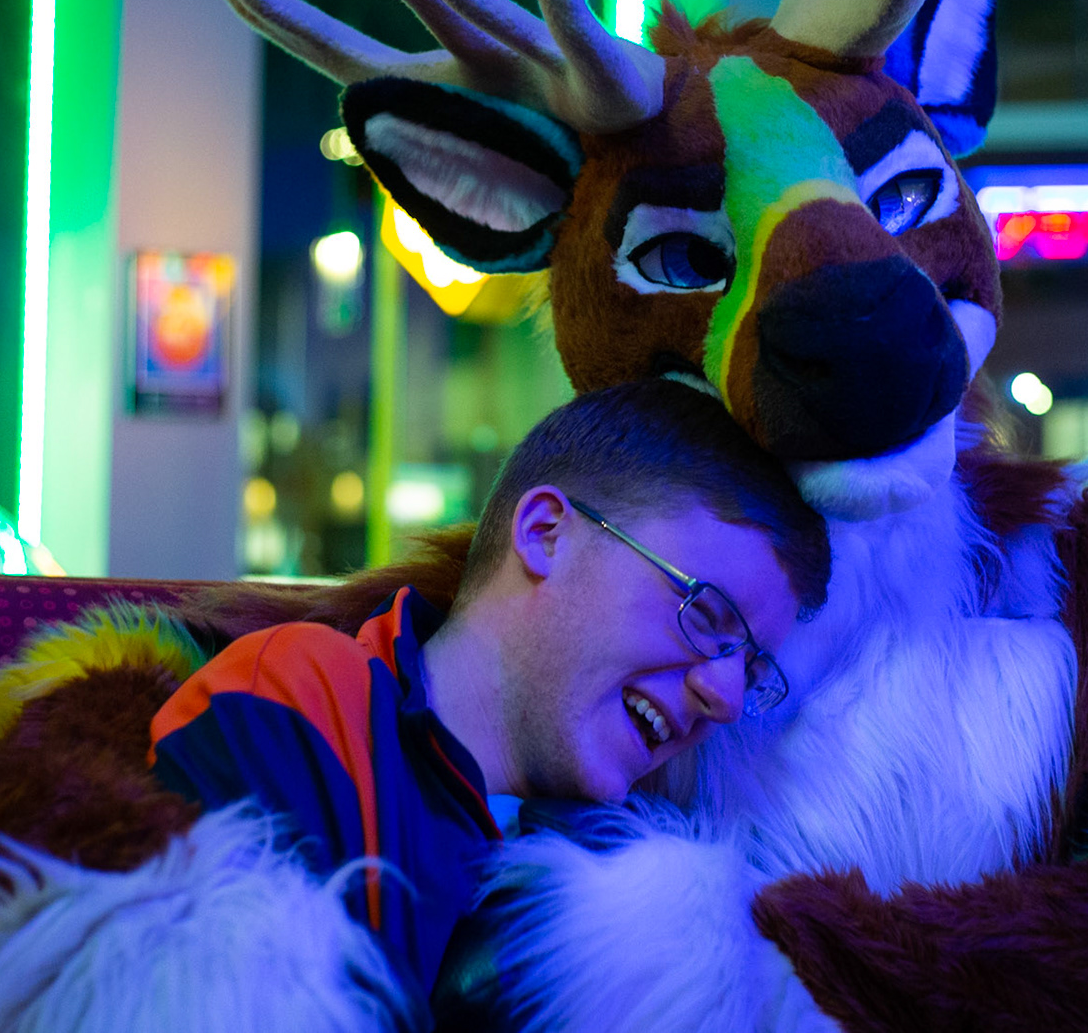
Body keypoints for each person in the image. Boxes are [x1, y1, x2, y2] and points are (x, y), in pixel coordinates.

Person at [145, 379, 830, 1018]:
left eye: (752, 670)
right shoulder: (307, 697)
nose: (725, 698)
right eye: (704, 614)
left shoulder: (651, 873)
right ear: (544, 534)